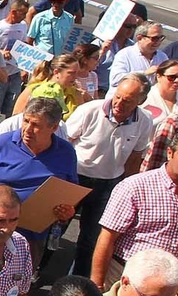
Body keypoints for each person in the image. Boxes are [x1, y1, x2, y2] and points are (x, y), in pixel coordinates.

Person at [91, 127, 178, 289]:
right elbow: (107, 238)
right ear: (170, 153)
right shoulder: (135, 187)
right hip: (125, 277)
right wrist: (97, 284)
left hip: (168, 283)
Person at [63, 75, 156, 276]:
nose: (119, 103)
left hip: (109, 185)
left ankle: (78, 282)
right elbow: (64, 143)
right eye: (118, 97)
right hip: (76, 178)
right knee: (56, 228)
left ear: (140, 101)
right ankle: (37, 271)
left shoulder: (145, 121)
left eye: (128, 100)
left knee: (92, 239)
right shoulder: (89, 110)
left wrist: (128, 190)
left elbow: (135, 157)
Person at [0, 97, 79, 265]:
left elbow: (70, 193)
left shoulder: (66, 152)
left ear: (54, 127)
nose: (27, 129)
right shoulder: (1, 143)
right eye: (26, 121)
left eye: (36, 125)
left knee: (18, 283)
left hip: (32, 235)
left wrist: (67, 211)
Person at [107, 23, 170, 87]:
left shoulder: (162, 57)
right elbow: (115, 80)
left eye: (161, 38)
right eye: (154, 38)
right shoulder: (124, 54)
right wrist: (144, 73)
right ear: (140, 38)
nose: (158, 42)